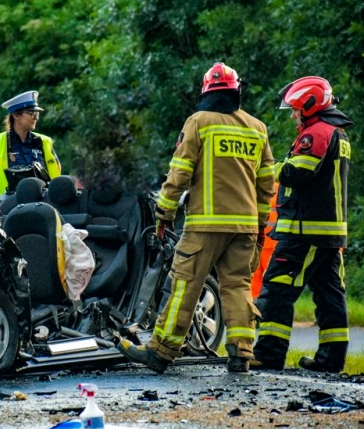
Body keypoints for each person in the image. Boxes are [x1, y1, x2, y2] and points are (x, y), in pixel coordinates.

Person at [118, 63, 275, 373]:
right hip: (243, 227)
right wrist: (258, 226)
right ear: (236, 92)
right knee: (238, 287)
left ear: (207, 92)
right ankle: (242, 353)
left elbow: (180, 171)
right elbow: (266, 183)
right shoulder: (257, 128)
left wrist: (164, 212)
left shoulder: (199, 122)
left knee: (184, 284)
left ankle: (161, 352)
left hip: (205, 225)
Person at [251, 76, 353, 373]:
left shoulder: (317, 133)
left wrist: (268, 167)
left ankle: (269, 354)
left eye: (296, 109)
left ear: (310, 104)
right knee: (329, 293)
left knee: (277, 288)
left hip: (304, 230)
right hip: (328, 232)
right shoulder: (338, 133)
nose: (294, 114)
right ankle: (331, 360)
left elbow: (299, 172)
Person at [0, 90, 61, 196]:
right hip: (8, 210)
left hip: (41, 206)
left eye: (37, 114)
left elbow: (56, 172)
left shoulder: (44, 142)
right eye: (31, 113)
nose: (35, 117)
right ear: (16, 115)